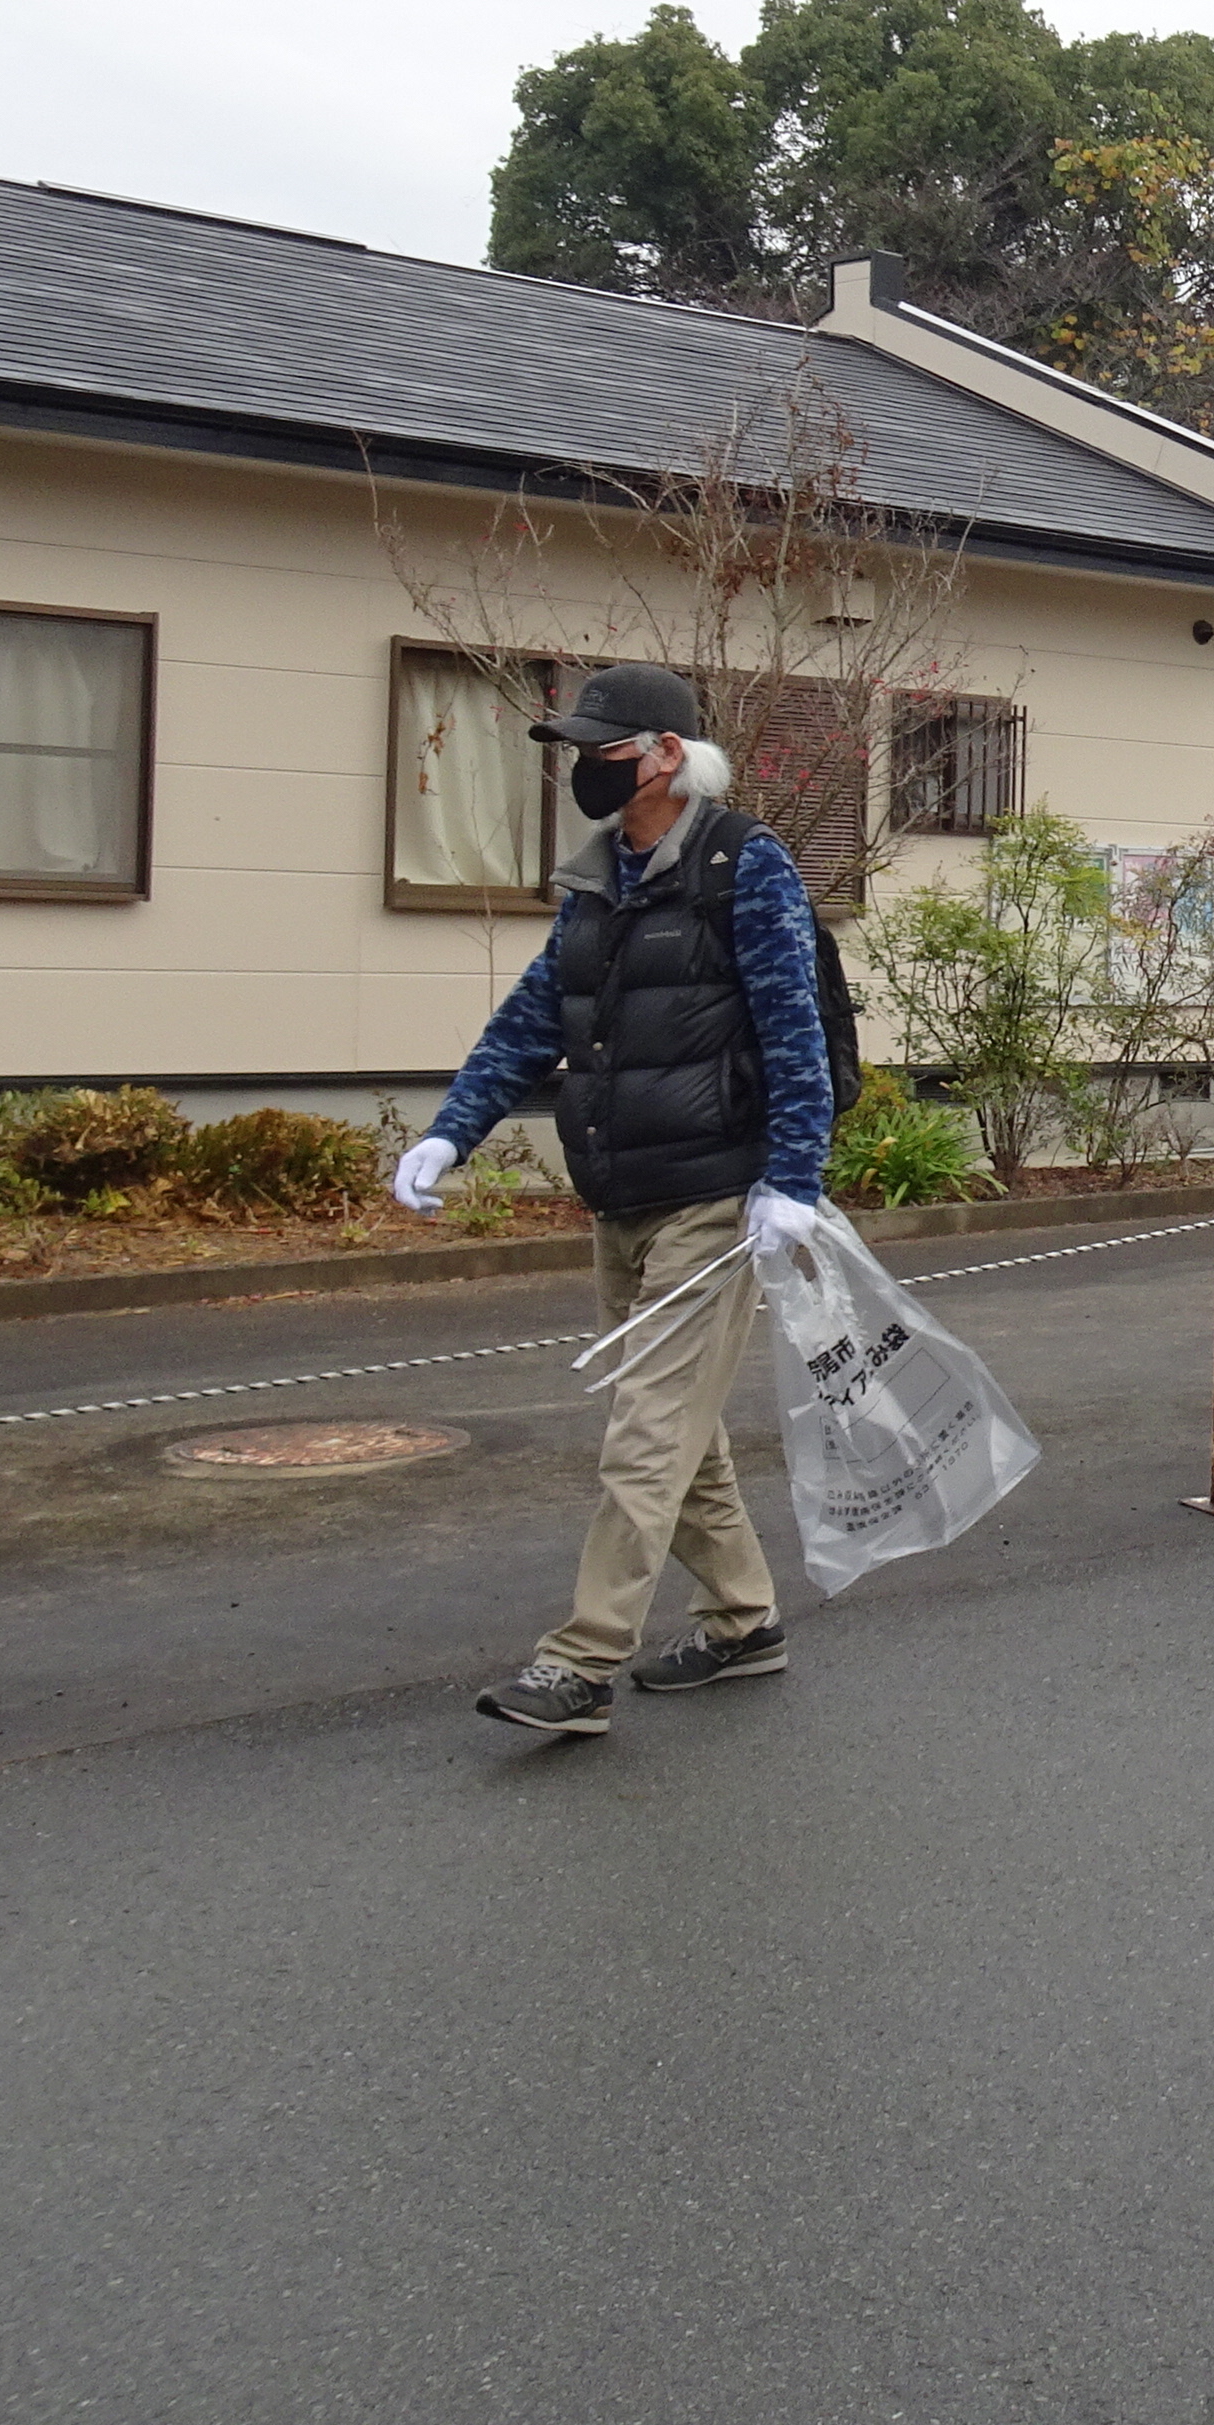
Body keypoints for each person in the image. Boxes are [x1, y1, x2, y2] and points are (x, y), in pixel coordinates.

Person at [396, 661, 832, 1739]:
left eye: (603, 750)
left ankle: (582, 1662)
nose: (584, 769)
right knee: (679, 1431)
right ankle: (744, 1620)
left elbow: (794, 1030)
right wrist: (453, 1128)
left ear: (667, 755)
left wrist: (793, 1181)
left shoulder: (746, 866)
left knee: (645, 1433)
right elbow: (532, 1018)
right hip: (620, 1193)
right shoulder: (596, 882)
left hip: (712, 1198)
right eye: (576, 752)